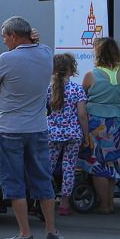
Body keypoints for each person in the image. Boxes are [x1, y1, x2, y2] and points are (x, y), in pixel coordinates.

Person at [0, 16, 63, 239]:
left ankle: (25, 233)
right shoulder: (46, 53)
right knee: (42, 178)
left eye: (5, 37)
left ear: (14, 36)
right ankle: (51, 231)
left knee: (13, 181)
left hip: (10, 128)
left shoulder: (6, 59)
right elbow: (37, 44)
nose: (4, 41)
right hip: (38, 127)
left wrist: (3, 84)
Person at [82, 37, 120, 214]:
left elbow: (82, 96)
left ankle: (105, 204)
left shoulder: (91, 75)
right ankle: (110, 201)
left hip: (98, 124)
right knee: (113, 163)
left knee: (98, 165)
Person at [47, 53, 90, 216]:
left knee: (48, 167)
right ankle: (65, 204)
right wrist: (86, 136)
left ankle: (45, 199)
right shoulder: (77, 89)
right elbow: (82, 115)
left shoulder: (49, 89)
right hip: (73, 134)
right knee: (69, 168)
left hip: (53, 133)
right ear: (71, 69)